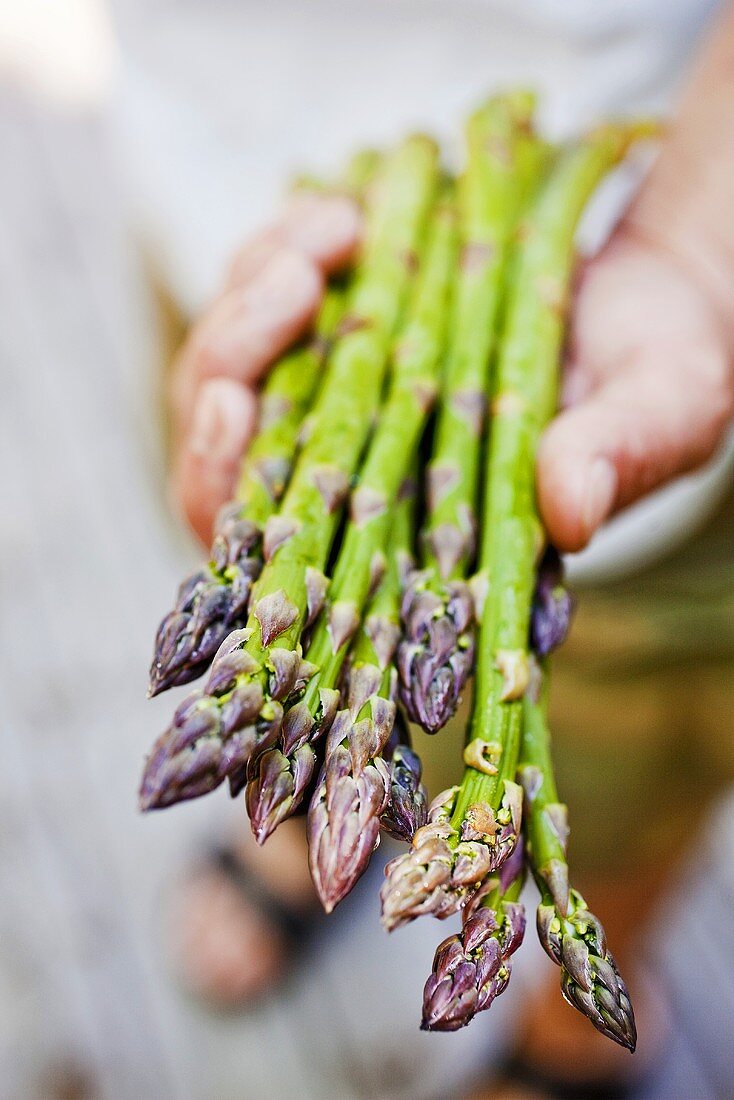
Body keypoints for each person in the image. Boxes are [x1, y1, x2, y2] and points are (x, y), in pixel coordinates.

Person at [116, 0, 734, 1091]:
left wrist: (696, 234)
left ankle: (573, 1026)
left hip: (661, 194)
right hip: (226, 185)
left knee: (638, 758)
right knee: (296, 591)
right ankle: (306, 789)